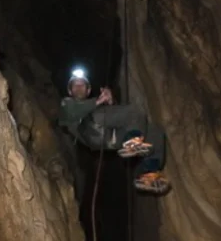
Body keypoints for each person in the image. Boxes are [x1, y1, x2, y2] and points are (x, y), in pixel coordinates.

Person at [58, 67, 170, 195]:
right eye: (75, 85)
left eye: (82, 85)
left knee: (155, 132)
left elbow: (120, 117)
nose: (78, 87)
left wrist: (111, 102)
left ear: (88, 90)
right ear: (70, 91)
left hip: (110, 139)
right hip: (89, 127)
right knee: (134, 111)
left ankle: (148, 173)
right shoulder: (66, 104)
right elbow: (75, 111)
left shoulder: (95, 105)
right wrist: (100, 100)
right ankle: (133, 140)